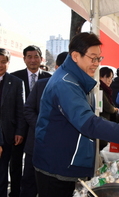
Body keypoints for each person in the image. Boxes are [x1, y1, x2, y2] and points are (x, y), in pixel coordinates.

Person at [32, 32, 119, 197]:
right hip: (58, 165)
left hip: (66, 161)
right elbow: (87, 122)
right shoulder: (65, 84)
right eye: (93, 58)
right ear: (76, 56)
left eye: (99, 58)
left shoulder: (76, 80)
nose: (96, 63)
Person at [20, 51, 68, 197]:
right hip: (36, 143)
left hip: (60, 150)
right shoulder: (42, 85)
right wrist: (42, 127)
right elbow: (28, 109)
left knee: (51, 187)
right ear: (57, 66)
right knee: (29, 183)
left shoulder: (78, 89)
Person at [10, 45, 52, 197]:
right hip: (17, 130)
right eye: (29, 57)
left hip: (39, 130)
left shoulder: (49, 79)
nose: (33, 60)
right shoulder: (14, 78)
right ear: (24, 59)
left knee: (34, 167)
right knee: (15, 164)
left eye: (36, 57)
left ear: (41, 59)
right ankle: (14, 193)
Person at [0, 48, 26, 197]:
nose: (0, 65)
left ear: (8, 63)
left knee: (3, 170)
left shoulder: (16, 82)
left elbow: (20, 110)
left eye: (4, 62)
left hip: (8, 134)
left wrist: (19, 131)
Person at [99, 66, 119, 150]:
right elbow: (107, 107)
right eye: (107, 77)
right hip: (102, 121)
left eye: (111, 78)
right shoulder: (99, 89)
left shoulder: (105, 89)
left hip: (105, 121)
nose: (109, 80)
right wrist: (114, 109)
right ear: (100, 76)